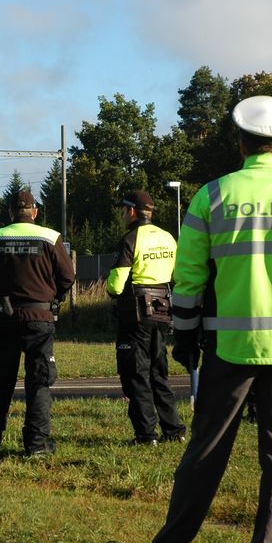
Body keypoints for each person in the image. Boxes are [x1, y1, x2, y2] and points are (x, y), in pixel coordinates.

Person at [140, 95, 272, 543]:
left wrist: (185, 337)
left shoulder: (211, 196)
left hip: (228, 347)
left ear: (241, 142)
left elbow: (188, 279)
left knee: (206, 449)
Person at [0, 188, 75, 461]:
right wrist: (51, 296)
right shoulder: (50, 237)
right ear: (35, 212)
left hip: (5, 318)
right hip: (40, 319)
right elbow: (68, 276)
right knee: (39, 382)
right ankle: (37, 445)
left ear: (10, 213)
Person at [107, 190, 186, 446]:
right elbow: (178, 274)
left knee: (136, 374)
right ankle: (174, 430)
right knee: (158, 371)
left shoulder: (130, 239)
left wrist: (111, 291)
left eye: (122, 210)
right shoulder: (168, 237)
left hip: (136, 313)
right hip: (164, 307)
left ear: (131, 211)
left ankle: (145, 435)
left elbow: (116, 285)